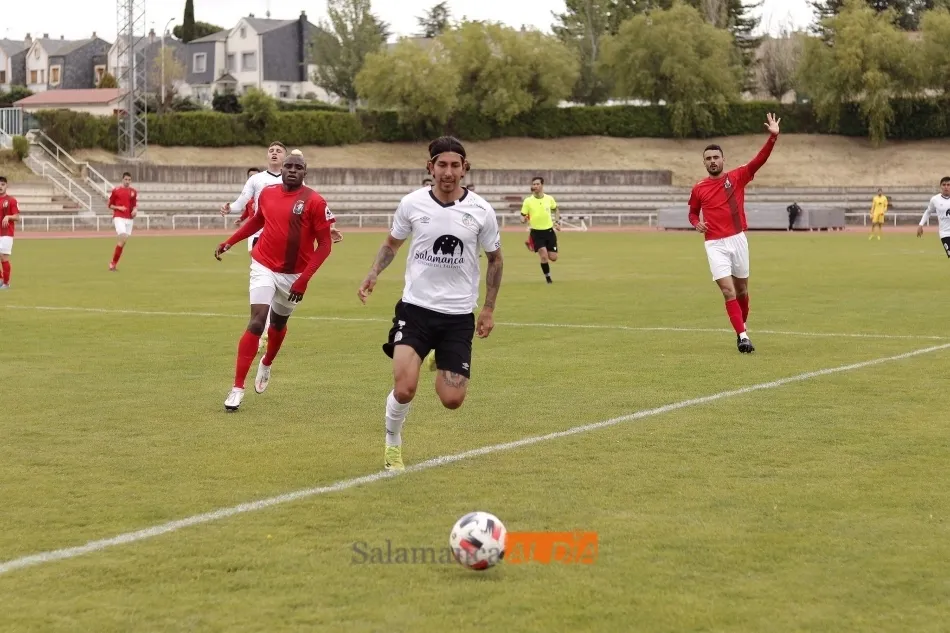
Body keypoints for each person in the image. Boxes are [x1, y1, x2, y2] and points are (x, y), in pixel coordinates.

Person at [357, 136, 504, 472]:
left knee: (452, 400)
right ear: (430, 167)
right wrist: (373, 272)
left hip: (457, 317)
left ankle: (437, 356)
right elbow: (392, 244)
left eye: (455, 165)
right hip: (416, 310)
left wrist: (488, 308)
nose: (448, 172)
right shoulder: (412, 204)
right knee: (405, 389)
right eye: (442, 165)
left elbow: (495, 259)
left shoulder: (481, 211)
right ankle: (393, 444)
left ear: (465, 169)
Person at [214, 153, 337, 412]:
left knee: (279, 324)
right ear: (281, 169)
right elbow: (258, 220)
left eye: (298, 167)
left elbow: (325, 245)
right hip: (263, 265)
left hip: (294, 274)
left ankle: (267, 362)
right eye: (288, 166)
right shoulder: (267, 193)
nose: (292, 170)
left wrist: (303, 281)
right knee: (258, 320)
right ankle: (237, 388)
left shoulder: (315, 201)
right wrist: (229, 241)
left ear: (305, 172)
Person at [688, 113, 781, 354]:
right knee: (728, 290)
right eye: (708, 158)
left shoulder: (736, 177)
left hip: (738, 240)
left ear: (722, 159)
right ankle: (742, 336)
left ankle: (743, 326)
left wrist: (772, 138)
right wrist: (696, 223)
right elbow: (692, 213)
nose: (712, 161)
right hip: (714, 245)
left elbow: (758, 161)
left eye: (715, 157)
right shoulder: (698, 188)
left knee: (742, 291)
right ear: (704, 163)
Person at [521, 176, 560, 284]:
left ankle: (531, 246)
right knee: (543, 256)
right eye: (534, 184)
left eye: (537, 184)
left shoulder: (549, 199)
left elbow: (556, 210)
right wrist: (523, 219)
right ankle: (548, 279)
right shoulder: (528, 201)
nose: (535, 186)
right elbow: (522, 215)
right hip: (536, 232)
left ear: (542, 185)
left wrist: (557, 222)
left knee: (553, 257)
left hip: (549, 232)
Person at [108, 172, 138, 271]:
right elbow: (110, 205)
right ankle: (112, 264)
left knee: (123, 242)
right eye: (126, 179)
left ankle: (113, 264)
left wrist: (135, 210)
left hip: (129, 219)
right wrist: (119, 207)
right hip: (119, 217)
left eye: (129, 180)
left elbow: (134, 205)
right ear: (122, 179)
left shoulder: (133, 192)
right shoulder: (116, 190)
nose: (127, 181)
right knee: (123, 237)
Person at [916, 176, 950, 257]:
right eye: (944, 185)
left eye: (948, 185)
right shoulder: (935, 199)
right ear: (940, 186)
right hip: (945, 233)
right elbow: (928, 212)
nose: (946, 187)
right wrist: (921, 224)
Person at [0, 176, 20, 289]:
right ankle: (1, 280)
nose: (0, 186)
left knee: (3, 257)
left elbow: (17, 217)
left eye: (2, 184)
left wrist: (8, 216)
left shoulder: (11, 200)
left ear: (6, 186)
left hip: (6, 233)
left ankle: (6, 283)